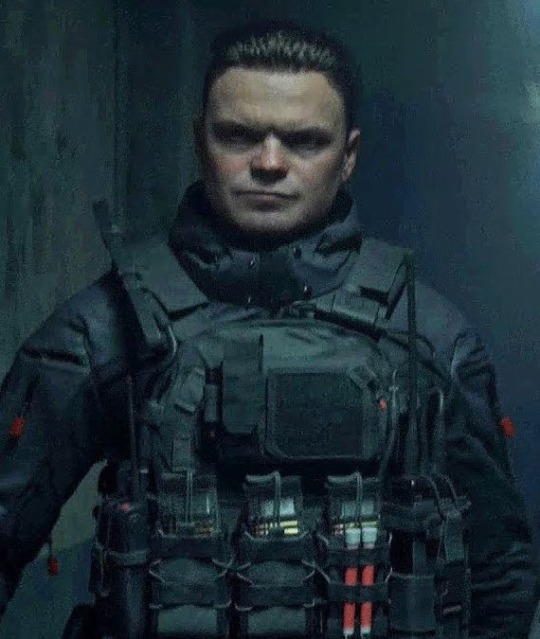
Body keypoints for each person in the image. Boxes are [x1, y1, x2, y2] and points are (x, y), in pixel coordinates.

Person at [0, 20, 537, 639]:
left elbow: (501, 573)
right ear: (199, 140)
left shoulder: (431, 339)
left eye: (305, 141)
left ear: (349, 156)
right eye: (239, 135)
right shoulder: (104, 327)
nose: (270, 163)